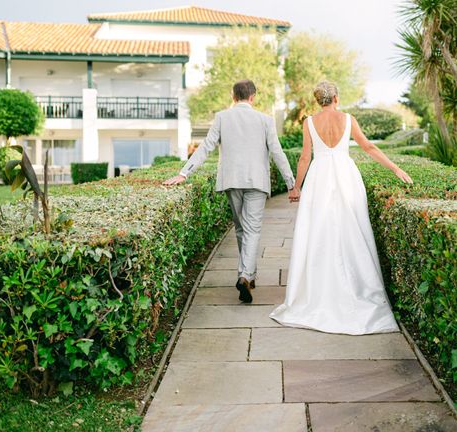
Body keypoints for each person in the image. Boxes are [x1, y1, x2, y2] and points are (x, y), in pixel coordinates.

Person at [269, 81, 413, 335]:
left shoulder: (309, 122)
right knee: (351, 229)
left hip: (319, 178)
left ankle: (319, 292)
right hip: (346, 177)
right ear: (336, 97)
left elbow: (305, 157)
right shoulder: (348, 118)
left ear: (318, 100)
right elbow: (368, 147)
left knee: (319, 231)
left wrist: (296, 188)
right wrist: (396, 168)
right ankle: (359, 289)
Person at [163, 79, 295, 304]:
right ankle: (245, 275)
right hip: (256, 181)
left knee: (242, 229)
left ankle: (248, 275)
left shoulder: (222, 117)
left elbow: (206, 146)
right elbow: (277, 152)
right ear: (252, 97)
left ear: (234, 97)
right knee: (252, 229)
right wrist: (291, 182)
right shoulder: (265, 120)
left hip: (231, 180)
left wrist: (184, 173)